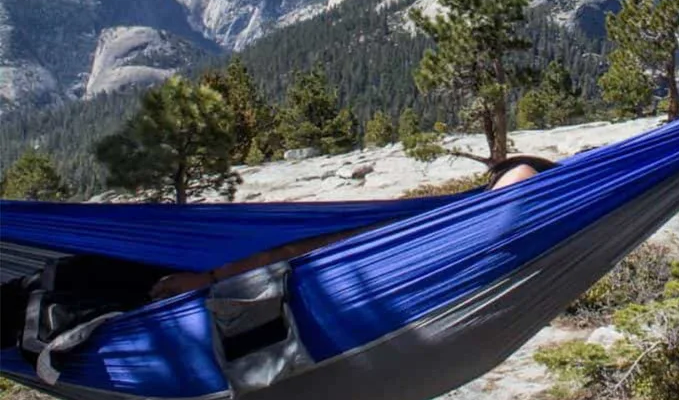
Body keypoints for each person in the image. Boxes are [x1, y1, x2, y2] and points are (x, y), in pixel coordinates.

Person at [149, 155, 559, 300]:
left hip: (429, 242)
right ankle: (207, 279)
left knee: (300, 258)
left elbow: (511, 199)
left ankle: (207, 280)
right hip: (424, 232)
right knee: (301, 252)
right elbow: (506, 200)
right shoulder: (521, 184)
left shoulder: (532, 181)